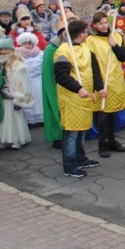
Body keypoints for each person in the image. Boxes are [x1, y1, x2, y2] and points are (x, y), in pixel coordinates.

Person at [54, 20, 102, 178]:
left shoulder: (86, 48)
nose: (88, 33)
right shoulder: (63, 51)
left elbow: (94, 69)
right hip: (71, 97)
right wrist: (78, 88)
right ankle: (70, 165)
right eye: (87, 31)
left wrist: (99, 87)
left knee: (82, 131)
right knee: (72, 133)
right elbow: (61, 76)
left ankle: (81, 158)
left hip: (85, 97)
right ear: (81, 33)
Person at [85, 10, 125, 158]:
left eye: (105, 23)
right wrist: (98, 85)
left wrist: (115, 45)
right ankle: (102, 143)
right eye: (100, 24)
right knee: (103, 114)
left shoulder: (115, 36)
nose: (104, 26)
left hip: (115, 79)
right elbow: (92, 65)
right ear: (95, 25)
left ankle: (112, 140)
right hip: (102, 80)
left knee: (113, 113)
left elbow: (123, 57)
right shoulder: (91, 41)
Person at [0, 37, 32, 150]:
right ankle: (5, 139)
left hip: (13, 96)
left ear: (11, 50)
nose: (3, 51)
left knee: (15, 118)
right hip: (3, 96)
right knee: (4, 119)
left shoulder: (17, 65)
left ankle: (17, 139)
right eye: (1, 49)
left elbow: (22, 82)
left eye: (6, 49)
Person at [43, 14, 74, 149]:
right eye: (64, 32)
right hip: (54, 84)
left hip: (67, 84)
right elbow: (49, 71)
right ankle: (57, 137)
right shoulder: (51, 49)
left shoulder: (70, 47)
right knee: (55, 109)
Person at [16, 31, 44, 125]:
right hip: (25, 80)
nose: (27, 46)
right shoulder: (17, 55)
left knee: (39, 98)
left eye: (29, 43)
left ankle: (41, 118)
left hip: (38, 79)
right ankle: (29, 119)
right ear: (21, 44)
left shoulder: (40, 54)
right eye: (25, 44)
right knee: (28, 97)